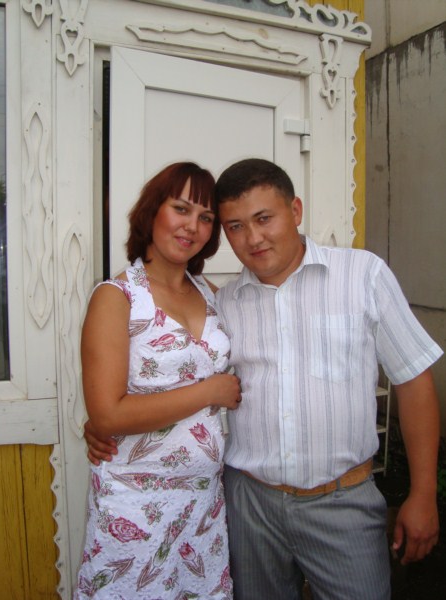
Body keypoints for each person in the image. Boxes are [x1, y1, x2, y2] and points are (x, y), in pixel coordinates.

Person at [86, 159, 443, 600]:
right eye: (235, 226)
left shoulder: (359, 276)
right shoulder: (224, 301)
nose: (253, 238)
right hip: (245, 505)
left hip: (339, 501)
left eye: (263, 219)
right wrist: (105, 421)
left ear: (295, 210)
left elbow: (413, 378)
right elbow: (146, 386)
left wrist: (423, 492)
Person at [74, 162, 241, 599]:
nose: (193, 226)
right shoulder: (118, 298)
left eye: (206, 217)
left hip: (203, 506)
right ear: (152, 212)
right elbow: (108, 415)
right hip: (137, 505)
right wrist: (209, 391)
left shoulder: (211, 294)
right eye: (181, 209)